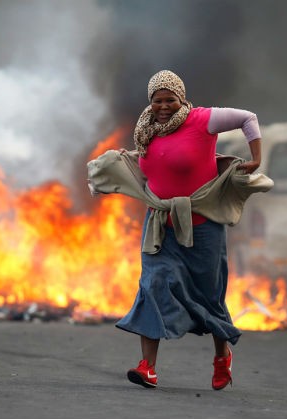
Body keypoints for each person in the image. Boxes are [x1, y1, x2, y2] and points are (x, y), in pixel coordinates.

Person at [88, 70, 268, 390]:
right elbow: (150, 166)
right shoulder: (146, 130)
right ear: (150, 102)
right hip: (160, 225)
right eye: (157, 100)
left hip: (203, 228)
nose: (163, 106)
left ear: (181, 98)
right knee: (153, 284)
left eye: (170, 99)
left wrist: (255, 159)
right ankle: (148, 367)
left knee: (209, 296)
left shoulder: (202, 121)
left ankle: (221, 357)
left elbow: (248, 118)